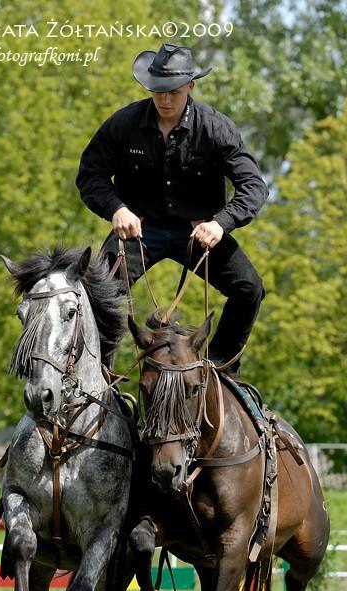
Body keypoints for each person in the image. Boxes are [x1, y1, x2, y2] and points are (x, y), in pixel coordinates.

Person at [76, 43, 269, 375]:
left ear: (191, 87)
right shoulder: (123, 124)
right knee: (93, 295)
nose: (164, 100)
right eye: (158, 91)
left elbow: (254, 186)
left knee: (249, 289)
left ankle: (222, 371)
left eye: (174, 92)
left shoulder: (215, 128)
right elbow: (89, 175)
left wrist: (221, 223)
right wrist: (116, 209)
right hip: (139, 231)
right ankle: (99, 377)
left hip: (198, 232)